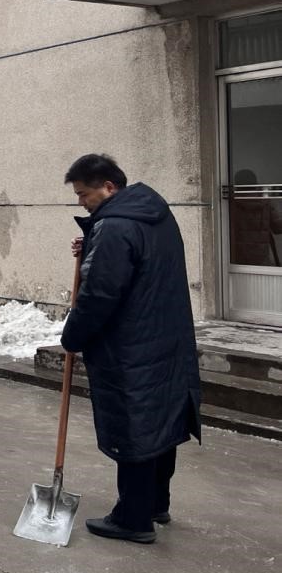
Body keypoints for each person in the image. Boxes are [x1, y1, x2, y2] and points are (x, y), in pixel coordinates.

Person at [61, 154, 201, 544]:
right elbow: (140, 262)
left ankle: (132, 519)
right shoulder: (155, 213)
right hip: (166, 337)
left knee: (134, 426)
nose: (81, 202)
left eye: (84, 194)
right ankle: (155, 503)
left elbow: (101, 293)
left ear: (108, 187)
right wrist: (92, 241)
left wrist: (73, 336)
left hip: (129, 346)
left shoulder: (116, 226)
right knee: (160, 423)